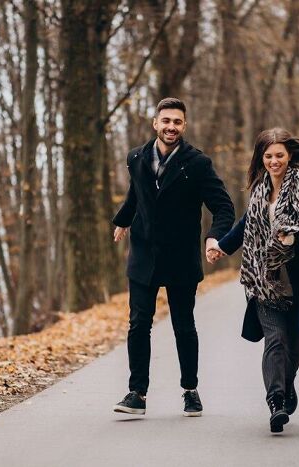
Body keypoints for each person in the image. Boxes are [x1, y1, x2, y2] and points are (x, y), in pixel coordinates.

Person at [112, 97, 235, 416]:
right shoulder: (136, 157)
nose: (171, 127)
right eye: (165, 121)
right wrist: (123, 221)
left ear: (184, 125)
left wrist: (213, 238)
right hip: (143, 256)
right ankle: (136, 394)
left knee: (184, 324)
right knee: (139, 324)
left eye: (177, 122)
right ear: (155, 123)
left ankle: (190, 390)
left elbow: (223, 207)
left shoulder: (197, 163)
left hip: (181, 257)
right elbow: (137, 195)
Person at [207, 127, 299, 433]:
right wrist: (222, 247)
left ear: (289, 156)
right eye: (268, 156)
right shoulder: (260, 190)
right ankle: (275, 401)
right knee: (275, 340)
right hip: (263, 278)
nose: (274, 161)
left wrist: (291, 237)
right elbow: (245, 224)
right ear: (261, 159)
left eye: (279, 155)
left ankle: (287, 387)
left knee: (293, 347)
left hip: (296, 277)